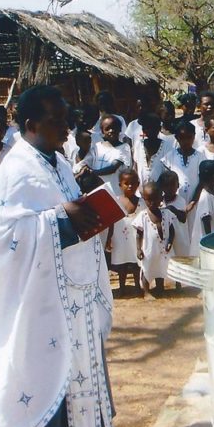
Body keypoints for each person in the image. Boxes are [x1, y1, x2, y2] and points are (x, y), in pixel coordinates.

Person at [0, 85, 115, 427]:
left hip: (76, 303)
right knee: (52, 399)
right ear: (30, 124)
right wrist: (58, 218)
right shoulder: (17, 170)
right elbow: (4, 239)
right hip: (42, 309)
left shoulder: (61, 164)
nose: (66, 128)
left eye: (66, 120)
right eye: (57, 121)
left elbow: (68, 214)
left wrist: (85, 206)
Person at [106, 168, 144, 297]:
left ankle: (137, 286)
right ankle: (122, 287)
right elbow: (111, 221)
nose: (130, 186)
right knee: (121, 265)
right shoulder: (115, 201)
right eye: (126, 183)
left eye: (133, 183)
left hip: (136, 238)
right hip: (119, 237)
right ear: (120, 185)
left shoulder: (142, 202)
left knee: (135, 264)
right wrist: (109, 238)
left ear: (138, 184)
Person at [133, 181, 175, 296]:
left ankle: (160, 288)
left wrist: (170, 241)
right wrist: (138, 249)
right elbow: (138, 234)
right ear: (144, 199)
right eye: (148, 200)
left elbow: (172, 230)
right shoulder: (143, 216)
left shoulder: (166, 214)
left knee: (161, 267)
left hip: (162, 248)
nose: (152, 203)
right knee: (147, 268)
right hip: (149, 249)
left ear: (161, 198)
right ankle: (146, 291)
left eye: (155, 199)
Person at [84, 114, 132, 193]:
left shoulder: (124, 147)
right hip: (98, 190)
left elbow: (113, 168)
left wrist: (93, 173)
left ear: (120, 129)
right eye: (107, 129)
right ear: (102, 131)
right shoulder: (97, 147)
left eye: (114, 128)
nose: (111, 131)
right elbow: (86, 162)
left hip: (116, 190)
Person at [190, 160, 214, 256]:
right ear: (213, 177)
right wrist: (209, 242)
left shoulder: (213, 194)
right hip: (211, 244)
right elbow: (206, 219)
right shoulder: (206, 196)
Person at [132, 112, 172, 194]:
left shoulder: (167, 146)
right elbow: (135, 167)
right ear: (143, 130)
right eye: (146, 128)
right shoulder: (138, 144)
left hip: (159, 194)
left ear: (159, 128)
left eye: (153, 128)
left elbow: (168, 172)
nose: (149, 131)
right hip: (140, 193)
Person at [158, 169, 191, 259]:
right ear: (162, 187)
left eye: (173, 185)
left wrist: (172, 209)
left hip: (180, 238)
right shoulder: (160, 202)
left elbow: (183, 218)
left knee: (181, 259)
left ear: (177, 186)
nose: (170, 188)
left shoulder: (180, 201)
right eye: (166, 186)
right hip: (167, 238)